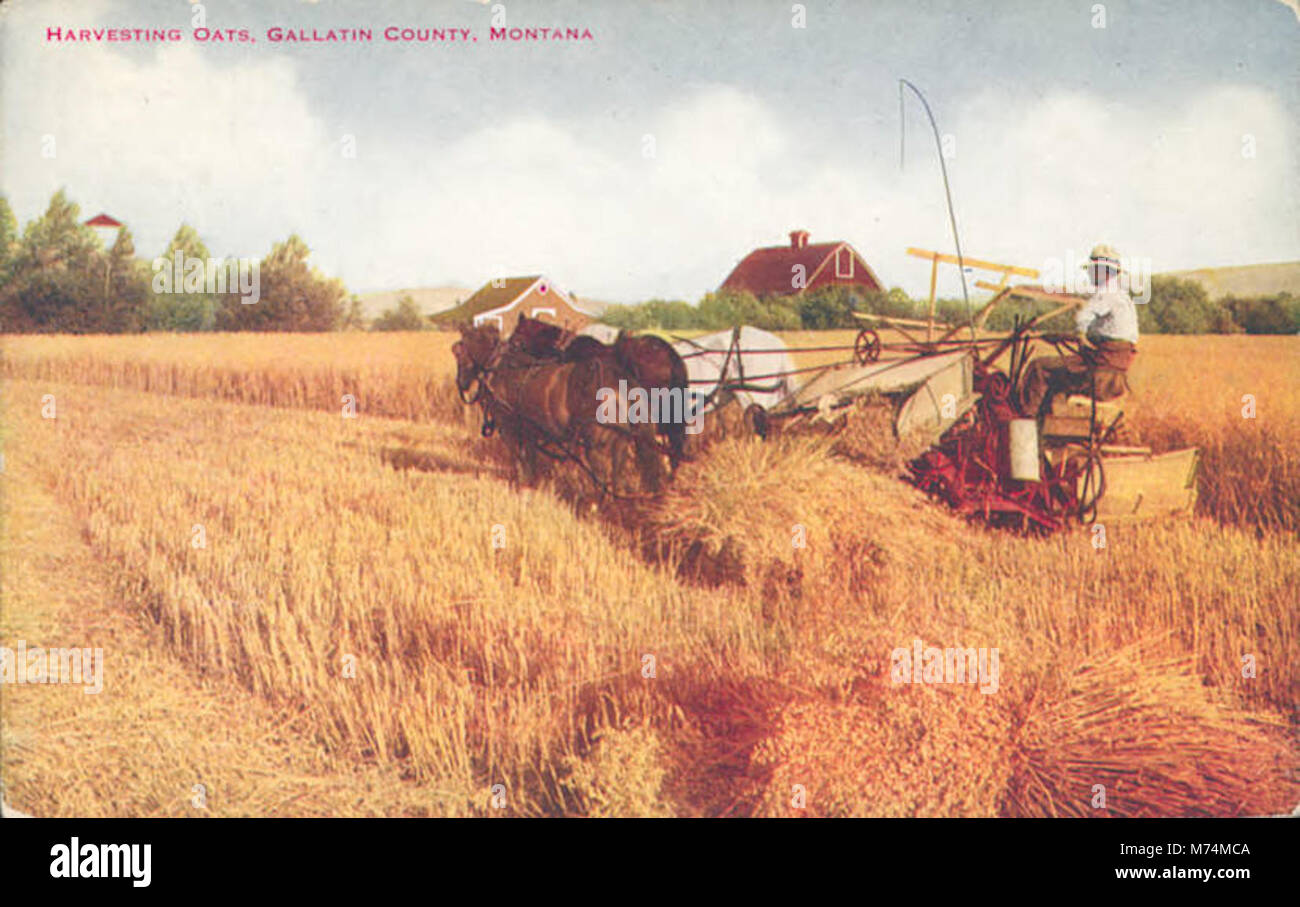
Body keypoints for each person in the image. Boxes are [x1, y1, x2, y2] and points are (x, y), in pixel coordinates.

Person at [1018, 244, 1139, 418]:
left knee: (1039, 367)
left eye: (1092, 270)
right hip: (1111, 369)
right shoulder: (1124, 298)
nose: (1089, 275)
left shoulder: (1106, 293)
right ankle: (1048, 423)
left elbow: (1082, 318)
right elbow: (1108, 335)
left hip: (1099, 371)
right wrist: (1068, 337)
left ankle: (1026, 422)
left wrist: (1079, 335)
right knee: (1057, 370)